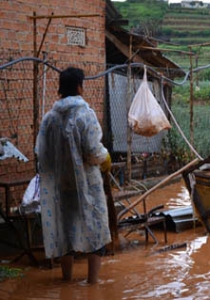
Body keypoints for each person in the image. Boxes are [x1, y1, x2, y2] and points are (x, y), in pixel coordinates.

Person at [36, 67, 112, 284]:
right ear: (80, 86)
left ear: (61, 88)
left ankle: (67, 280)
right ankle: (93, 283)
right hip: (87, 184)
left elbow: (42, 152)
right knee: (95, 226)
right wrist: (105, 157)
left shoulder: (49, 118)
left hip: (60, 185)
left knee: (66, 228)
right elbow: (92, 152)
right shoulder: (84, 114)